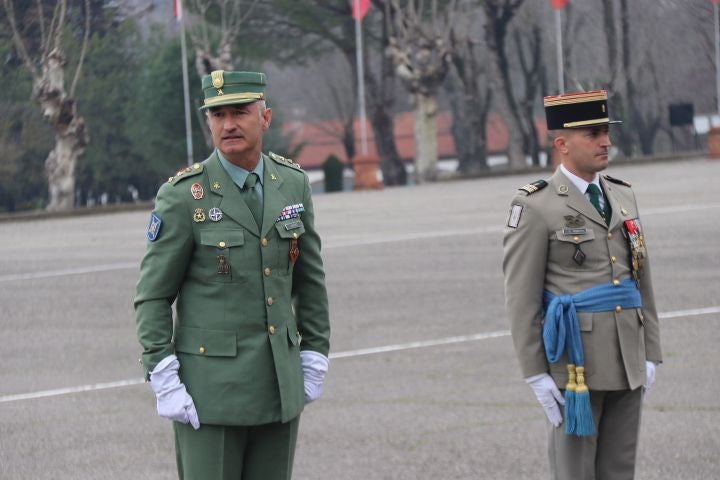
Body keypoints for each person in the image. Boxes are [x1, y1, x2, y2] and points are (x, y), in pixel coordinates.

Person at [134, 70, 330, 480]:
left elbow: (309, 282)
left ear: (266, 118)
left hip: (279, 385)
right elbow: (153, 295)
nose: (228, 124)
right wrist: (162, 372)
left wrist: (315, 353)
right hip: (210, 394)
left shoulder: (292, 184)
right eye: (217, 115)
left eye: (239, 112)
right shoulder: (185, 195)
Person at [502, 90, 662, 480]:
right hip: (576, 363)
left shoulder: (623, 195)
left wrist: (651, 350)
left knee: (619, 469)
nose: (605, 141)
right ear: (561, 143)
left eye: (605, 131)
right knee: (575, 472)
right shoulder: (536, 206)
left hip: (627, 354)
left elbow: (641, 278)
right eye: (592, 133)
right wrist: (535, 372)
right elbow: (521, 297)